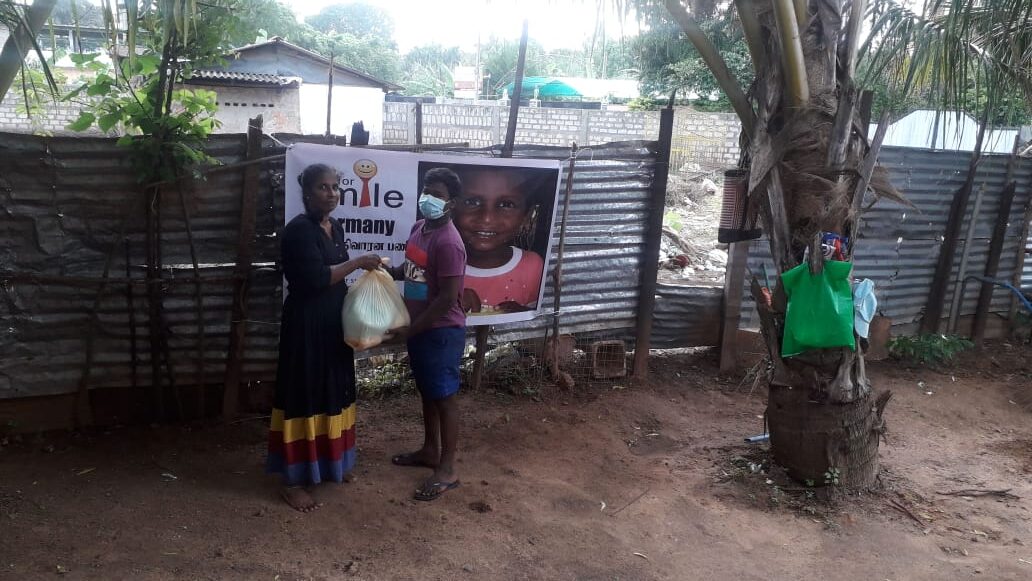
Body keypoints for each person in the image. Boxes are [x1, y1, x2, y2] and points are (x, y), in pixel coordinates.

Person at [267, 163, 381, 513]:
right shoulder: (299, 231)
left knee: (333, 390)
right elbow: (317, 279)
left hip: (332, 323)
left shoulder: (336, 227)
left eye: (335, 187)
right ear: (306, 192)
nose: (331, 193)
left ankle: (330, 464)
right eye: (323, 187)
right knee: (304, 393)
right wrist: (357, 262)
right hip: (306, 325)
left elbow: (337, 279)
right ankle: (293, 480)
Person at [385, 167, 467, 501]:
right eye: (426, 191)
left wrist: (411, 329)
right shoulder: (420, 228)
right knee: (428, 391)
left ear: (452, 203)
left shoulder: (450, 242)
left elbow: (447, 298)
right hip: (420, 326)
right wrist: (387, 270)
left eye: (437, 195)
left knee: (444, 398)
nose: (428, 198)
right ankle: (430, 450)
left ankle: (447, 469)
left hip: (440, 331)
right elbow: (413, 270)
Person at [452, 168, 545, 315]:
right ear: (452, 208)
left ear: (526, 216)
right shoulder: (435, 263)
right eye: (472, 202)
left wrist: (522, 314)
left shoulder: (532, 266)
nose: (487, 218)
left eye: (506, 204)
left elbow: (540, 321)